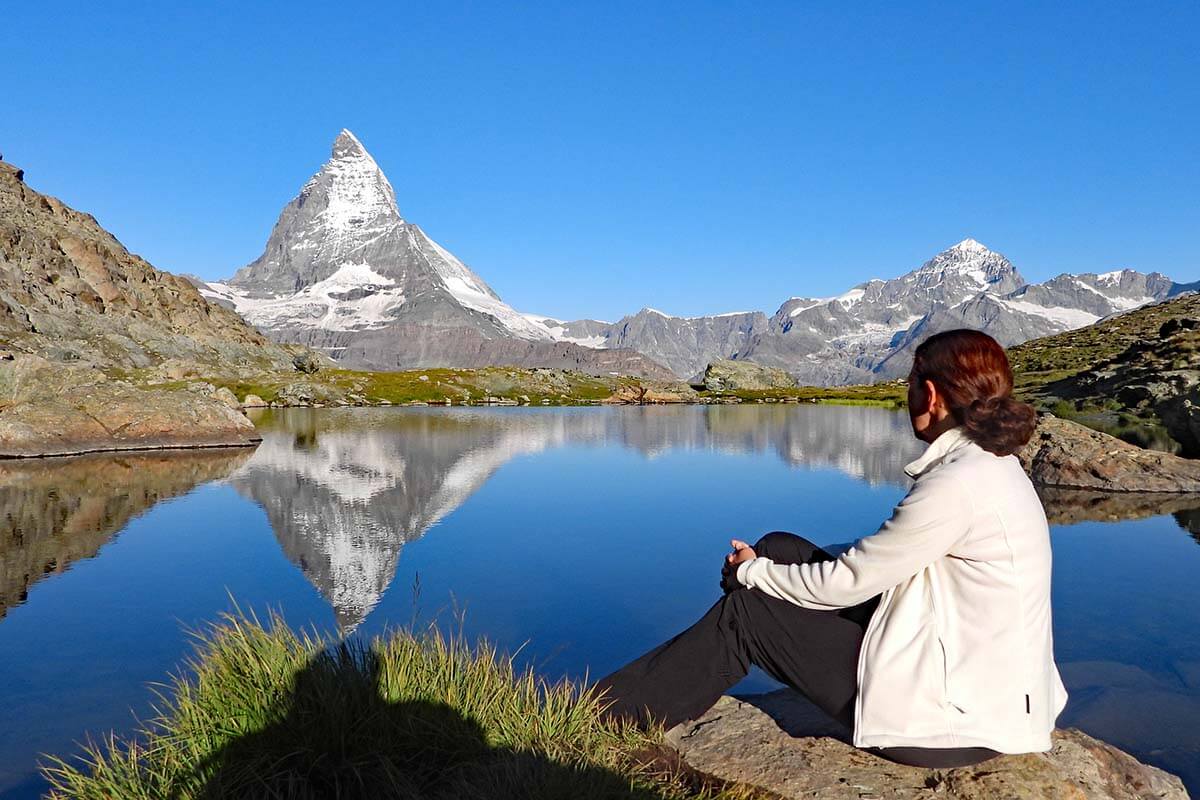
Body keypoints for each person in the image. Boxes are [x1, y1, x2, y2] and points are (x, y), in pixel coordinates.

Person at [595, 328, 1068, 768]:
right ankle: (671, 683)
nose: (906, 395)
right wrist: (766, 564)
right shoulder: (991, 465)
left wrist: (750, 575)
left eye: (910, 383)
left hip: (953, 723)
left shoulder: (958, 484)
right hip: (986, 693)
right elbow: (890, 557)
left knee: (747, 616)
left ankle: (601, 720)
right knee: (778, 547)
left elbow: (847, 584)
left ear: (930, 394)